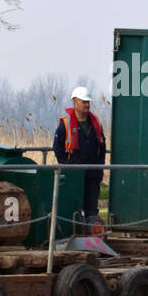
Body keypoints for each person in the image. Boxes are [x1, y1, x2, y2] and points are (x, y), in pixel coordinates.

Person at [54, 86, 107, 228]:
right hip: (74, 174)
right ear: (75, 102)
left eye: (88, 102)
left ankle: (91, 232)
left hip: (93, 173)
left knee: (91, 206)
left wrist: (100, 166)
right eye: (83, 101)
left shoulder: (96, 123)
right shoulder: (65, 125)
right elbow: (57, 147)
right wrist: (66, 165)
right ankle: (73, 230)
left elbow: (102, 147)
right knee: (74, 205)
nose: (87, 104)